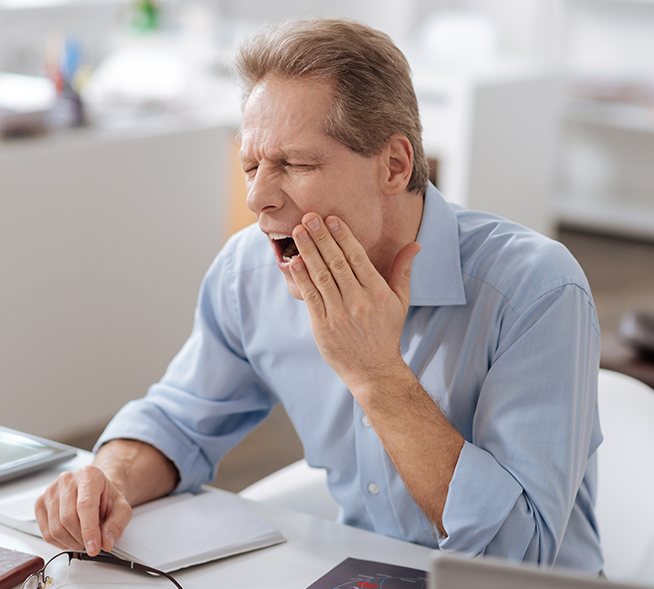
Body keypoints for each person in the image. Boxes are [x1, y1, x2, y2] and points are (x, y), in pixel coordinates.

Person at [35, 19, 603, 573]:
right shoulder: (247, 272)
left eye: (295, 164)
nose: (258, 198)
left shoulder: (535, 288)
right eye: (251, 165)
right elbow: (179, 422)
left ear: (394, 164)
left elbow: (519, 561)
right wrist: (107, 479)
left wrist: (377, 374)